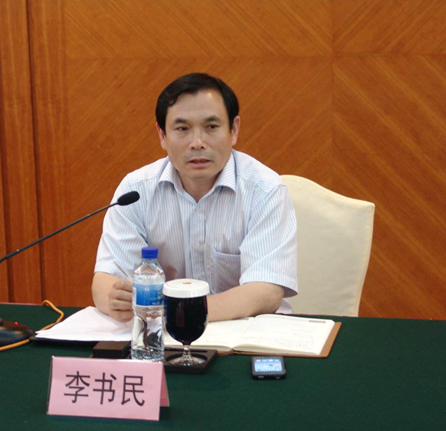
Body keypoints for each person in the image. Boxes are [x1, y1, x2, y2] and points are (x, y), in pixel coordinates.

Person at [92, 73, 297, 322]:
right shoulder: (135, 191)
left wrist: (174, 313)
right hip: (162, 334)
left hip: (247, 332)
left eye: (211, 127)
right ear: (162, 135)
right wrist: (116, 299)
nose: (197, 143)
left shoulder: (265, 190)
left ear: (233, 130)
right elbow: (105, 280)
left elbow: (266, 292)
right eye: (182, 129)